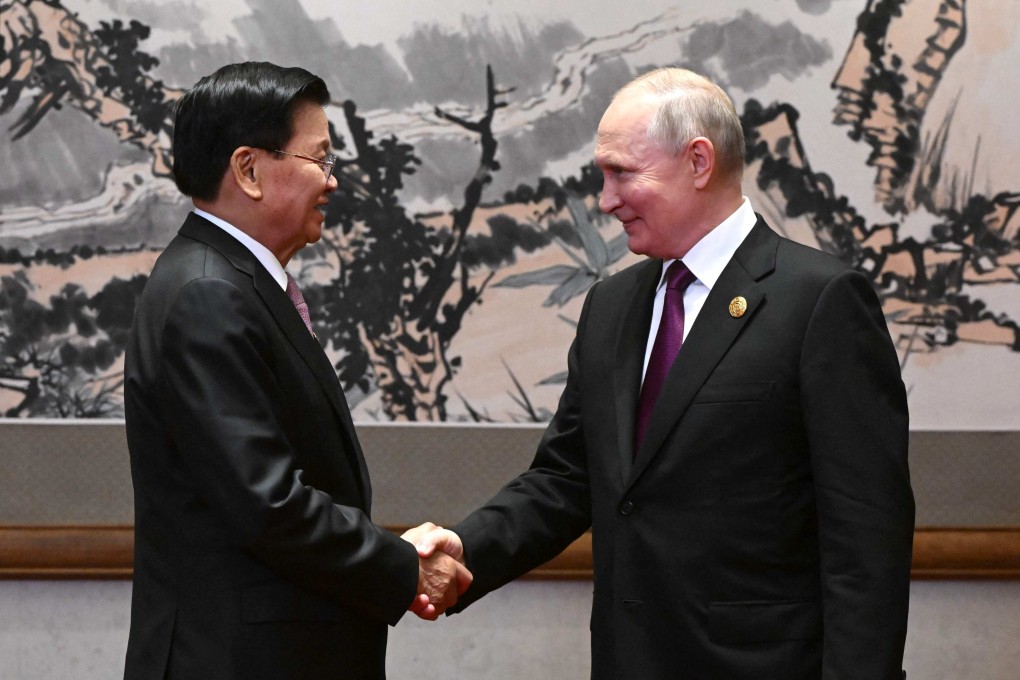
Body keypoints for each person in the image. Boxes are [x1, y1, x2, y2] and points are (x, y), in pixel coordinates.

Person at [411, 67, 914, 679]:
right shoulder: (611, 306)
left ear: (698, 161)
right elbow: (567, 478)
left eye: (622, 173)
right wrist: (466, 549)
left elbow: (866, 534)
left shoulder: (819, 301)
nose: (605, 200)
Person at [122, 61, 469, 680]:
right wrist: (404, 566)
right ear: (249, 170)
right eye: (321, 159)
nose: (332, 181)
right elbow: (268, 503)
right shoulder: (208, 293)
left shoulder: (227, 281)